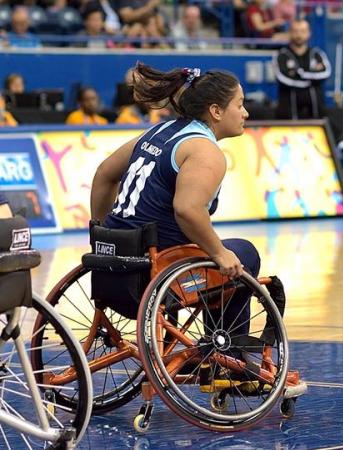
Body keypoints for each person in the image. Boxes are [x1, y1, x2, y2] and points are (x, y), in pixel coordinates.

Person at [90, 63, 276, 388]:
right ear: (216, 111)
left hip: (111, 269)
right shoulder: (206, 151)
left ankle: (222, 355)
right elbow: (187, 211)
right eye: (239, 104)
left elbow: (105, 173)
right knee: (242, 254)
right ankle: (225, 359)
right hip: (153, 274)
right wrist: (219, 252)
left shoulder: (157, 131)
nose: (245, 112)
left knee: (221, 253)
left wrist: (102, 233)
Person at [273, 19, 331, 120]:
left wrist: (300, 73)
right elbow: (282, 78)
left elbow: (325, 73)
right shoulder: (282, 55)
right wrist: (310, 79)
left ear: (309, 33)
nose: (299, 35)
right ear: (290, 33)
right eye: (295, 31)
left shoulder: (317, 54)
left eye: (303, 31)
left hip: (316, 114)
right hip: (288, 115)